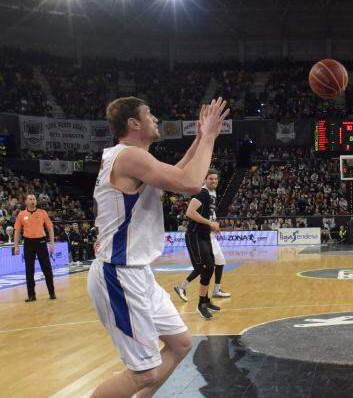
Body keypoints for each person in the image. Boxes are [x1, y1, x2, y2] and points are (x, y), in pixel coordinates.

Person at [87, 96, 229, 397]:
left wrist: (201, 138)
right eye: (148, 113)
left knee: (180, 344)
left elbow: (176, 173)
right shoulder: (128, 157)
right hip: (118, 275)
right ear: (133, 123)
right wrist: (212, 137)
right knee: (143, 375)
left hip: (137, 273)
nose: (155, 118)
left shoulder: (131, 159)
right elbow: (191, 181)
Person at [173, 169, 230, 313]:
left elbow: (207, 215)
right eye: (211, 179)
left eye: (216, 179)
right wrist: (209, 223)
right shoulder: (202, 193)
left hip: (205, 236)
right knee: (205, 268)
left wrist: (213, 226)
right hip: (194, 235)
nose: (214, 181)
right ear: (205, 179)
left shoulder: (212, 194)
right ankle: (200, 305)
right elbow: (190, 212)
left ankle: (206, 301)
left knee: (210, 267)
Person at [12, 193, 56, 302]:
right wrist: (16, 246)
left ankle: (52, 292)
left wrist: (52, 243)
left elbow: (50, 228)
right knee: (29, 269)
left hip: (41, 242)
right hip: (28, 242)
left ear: (36, 201)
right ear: (26, 201)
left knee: (46, 268)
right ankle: (31, 295)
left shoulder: (42, 213)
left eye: (34, 199)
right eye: (30, 199)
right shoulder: (21, 214)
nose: (32, 201)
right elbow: (17, 231)